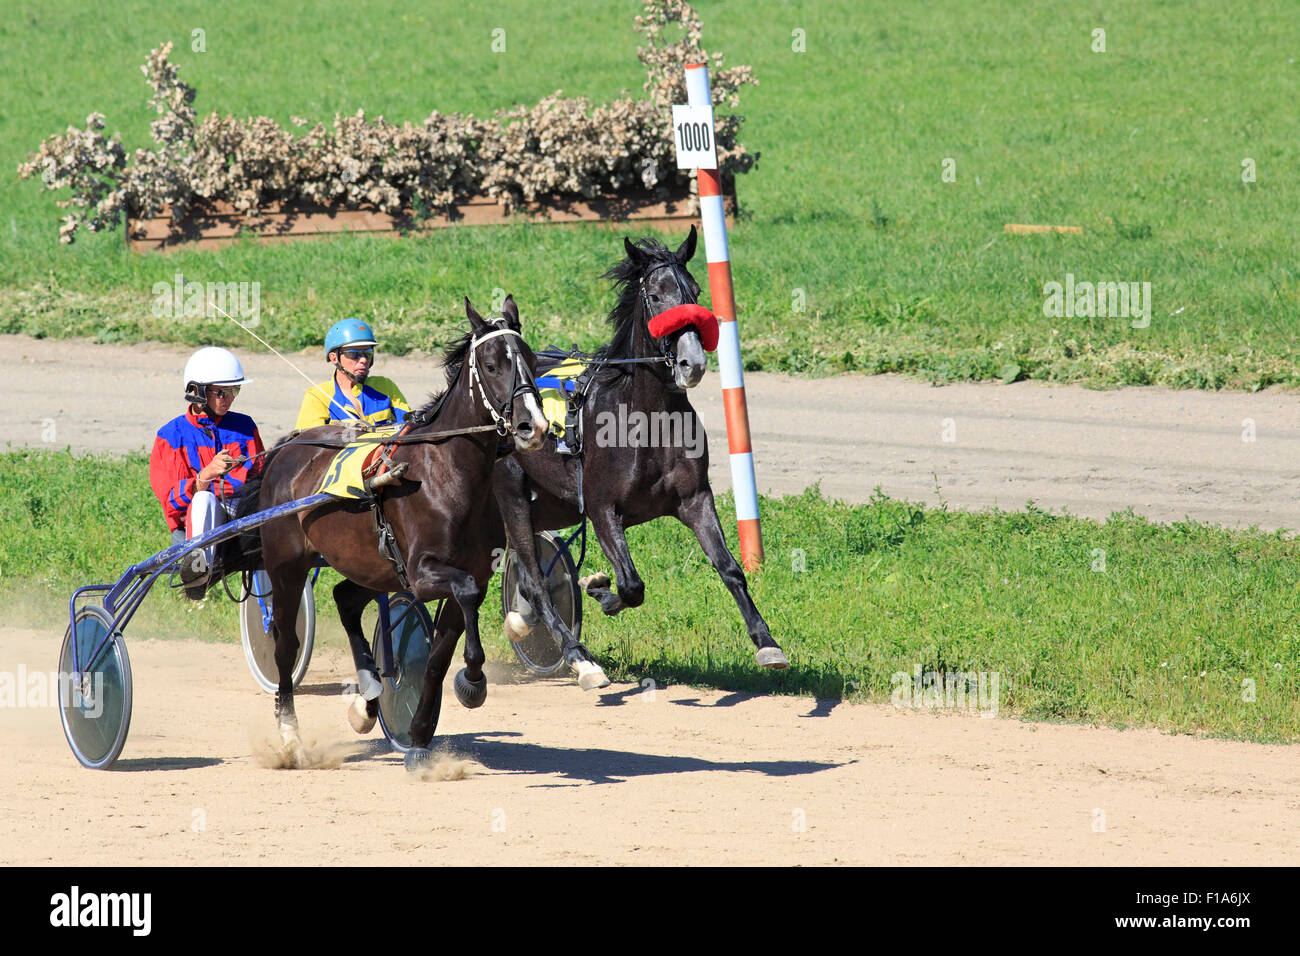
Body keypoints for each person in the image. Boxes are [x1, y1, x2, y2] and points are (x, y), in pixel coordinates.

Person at [149, 347, 264, 600]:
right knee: (203, 499)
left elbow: (259, 477)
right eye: (222, 392)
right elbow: (172, 504)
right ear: (197, 392)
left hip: (241, 516)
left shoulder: (245, 427)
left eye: (235, 391)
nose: (229, 398)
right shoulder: (170, 436)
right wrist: (205, 476)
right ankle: (197, 573)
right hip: (196, 521)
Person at [295, 318, 410, 429]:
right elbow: (310, 444)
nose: (364, 360)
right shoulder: (317, 397)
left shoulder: (385, 386)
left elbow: (409, 426)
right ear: (334, 358)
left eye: (368, 353)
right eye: (354, 354)